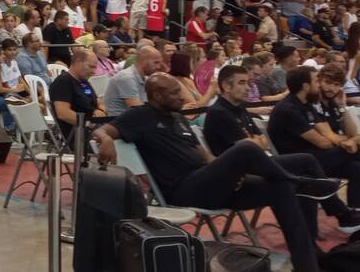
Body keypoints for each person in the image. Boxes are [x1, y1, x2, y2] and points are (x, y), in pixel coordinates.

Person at [93, 72, 346, 272]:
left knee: (285, 183)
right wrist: (105, 140)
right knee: (246, 149)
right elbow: (102, 131)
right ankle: (300, 182)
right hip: (184, 190)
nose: (182, 97)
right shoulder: (141, 115)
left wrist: (226, 172)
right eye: (174, 93)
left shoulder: (178, 118)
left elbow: (207, 158)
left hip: (209, 183)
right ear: (157, 96)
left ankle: (307, 263)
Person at [202, 65, 360, 236]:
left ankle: (355, 213)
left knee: (356, 166)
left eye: (248, 82)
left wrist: (347, 125)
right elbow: (250, 147)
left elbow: (261, 142)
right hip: (250, 170)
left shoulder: (304, 105)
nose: (248, 88)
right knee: (314, 163)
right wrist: (354, 140)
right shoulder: (284, 109)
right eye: (243, 82)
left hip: (277, 160)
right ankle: (341, 214)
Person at [267, 66, 360, 211]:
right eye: (317, 81)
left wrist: (348, 141)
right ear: (305, 86)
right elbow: (323, 142)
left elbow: (328, 134)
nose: (319, 85)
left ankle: (359, 212)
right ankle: (346, 214)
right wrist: (348, 142)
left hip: (314, 156)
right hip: (296, 162)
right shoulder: (288, 109)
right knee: (358, 148)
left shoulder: (306, 106)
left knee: (358, 167)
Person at [48, 48, 105, 142]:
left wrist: (101, 110)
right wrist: (90, 123)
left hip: (95, 127)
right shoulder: (63, 82)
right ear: (78, 62)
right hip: (80, 133)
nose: (94, 71)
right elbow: (63, 113)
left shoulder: (83, 81)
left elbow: (98, 101)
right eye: (91, 67)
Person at [102, 44, 163, 116]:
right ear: (143, 61)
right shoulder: (126, 77)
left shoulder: (145, 78)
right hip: (119, 123)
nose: (159, 67)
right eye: (156, 62)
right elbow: (136, 110)